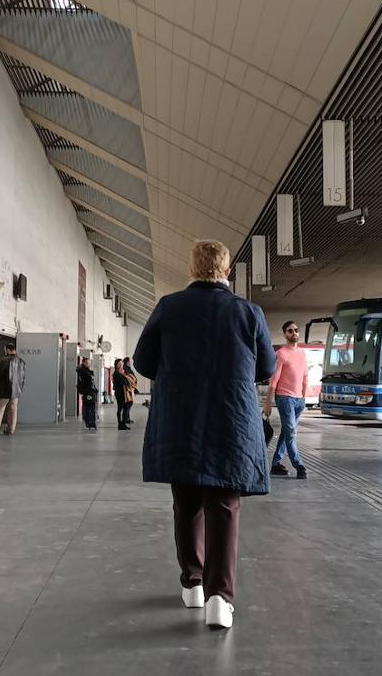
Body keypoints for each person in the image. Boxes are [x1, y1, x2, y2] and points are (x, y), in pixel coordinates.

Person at [134, 239, 275, 631]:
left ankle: (192, 584)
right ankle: (220, 598)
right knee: (224, 507)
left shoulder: (169, 307)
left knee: (187, 504)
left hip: (181, 418)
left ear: (193, 268)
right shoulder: (249, 312)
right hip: (231, 421)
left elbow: (143, 361)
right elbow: (265, 366)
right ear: (227, 271)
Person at [263, 320, 308, 479]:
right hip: (284, 398)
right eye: (290, 331)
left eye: (296, 330)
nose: (294, 333)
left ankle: (276, 464)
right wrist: (268, 403)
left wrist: (303, 396)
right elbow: (273, 380)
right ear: (285, 334)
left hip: (299, 400)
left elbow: (304, 375)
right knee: (291, 433)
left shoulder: (302, 353)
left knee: (286, 432)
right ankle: (299, 465)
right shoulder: (281, 354)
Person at [0, 343, 25, 435]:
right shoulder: (21, 361)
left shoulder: (5, 360)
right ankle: (11, 429)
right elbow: (22, 377)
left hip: (4, 390)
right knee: (13, 410)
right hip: (16, 391)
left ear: (8, 350)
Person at [77, 356, 98, 431]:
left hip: (91, 391)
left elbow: (91, 381)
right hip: (87, 391)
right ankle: (89, 421)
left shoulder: (87, 370)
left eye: (90, 363)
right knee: (89, 406)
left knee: (91, 406)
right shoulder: (82, 371)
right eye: (87, 363)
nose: (89, 364)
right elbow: (87, 381)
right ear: (83, 363)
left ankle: (91, 421)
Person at [111, 358, 134, 430]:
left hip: (124, 392)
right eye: (119, 364)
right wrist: (125, 376)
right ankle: (121, 424)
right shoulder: (116, 373)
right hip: (119, 393)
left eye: (122, 363)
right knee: (121, 408)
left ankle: (122, 424)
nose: (121, 365)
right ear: (116, 365)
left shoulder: (123, 372)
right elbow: (123, 381)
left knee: (125, 408)